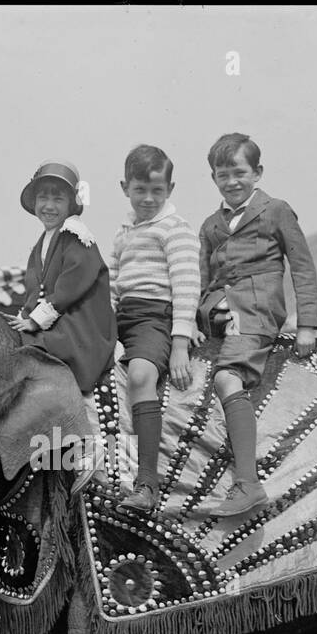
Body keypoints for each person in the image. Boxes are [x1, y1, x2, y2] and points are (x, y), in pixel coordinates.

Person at [198, 132, 317, 518]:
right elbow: (203, 279)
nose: (232, 182)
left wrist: (307, 326)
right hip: (219, 308)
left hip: (256, 308)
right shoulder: (209, 225)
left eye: (239, 172)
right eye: (222, 175)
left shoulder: (277, 210)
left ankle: (249, 482)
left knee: (226, 378)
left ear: (258, 172)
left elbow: (302, 266)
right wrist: (196, 320)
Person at [106, 144, 202, 512]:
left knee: (142, 375)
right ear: (124, 187)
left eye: (157, 191)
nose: (148, 198)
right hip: (123, 316)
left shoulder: (175, 230)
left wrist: (179, 343)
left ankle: (147, 483)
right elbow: (113, 285)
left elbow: (186, 285)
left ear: (170, 190)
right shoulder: (123, 231)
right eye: (140, 190)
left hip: (155, 316)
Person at [12, 160, 116, 397]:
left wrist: (35, 321)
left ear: (71, 204)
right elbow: (34, 291)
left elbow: (69, 289)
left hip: (79, 326)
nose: (49, 206)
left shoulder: (76, 235)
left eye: (58, 199)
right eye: (43, 199)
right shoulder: (43, 241)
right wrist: (24, 318)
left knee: (27, 348)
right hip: (61, 320)